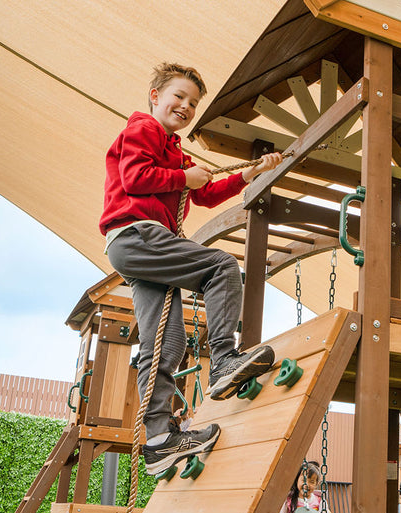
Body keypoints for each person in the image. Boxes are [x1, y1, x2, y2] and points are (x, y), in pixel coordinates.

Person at [100, 62, 282, 476]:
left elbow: (204, 194)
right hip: (137, 234)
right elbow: (134, 177)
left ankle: (160, 440)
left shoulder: (175, 151)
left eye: (192, 103)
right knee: (220, 266)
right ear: (155, 96)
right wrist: (184, 176)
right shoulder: (144, 129)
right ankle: (224, 360)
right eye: (178, 97)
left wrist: (248, 175)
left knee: (165, 343)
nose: (185, 106)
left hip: (137, 249)